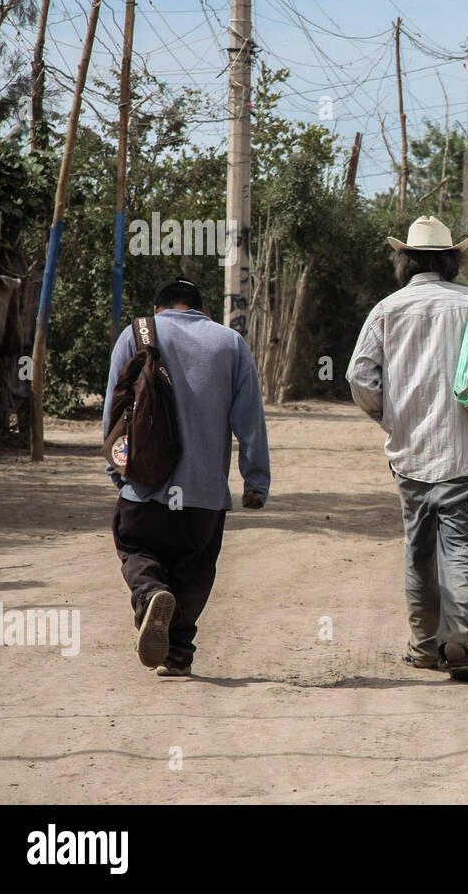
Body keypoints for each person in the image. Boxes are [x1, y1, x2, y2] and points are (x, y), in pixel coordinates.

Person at [347, 215, 468, 683]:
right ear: (453, 259)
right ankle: (457, 638)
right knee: (461, 546)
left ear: (405, 260)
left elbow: (359, 377)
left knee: (418, 550)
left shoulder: (387, 308)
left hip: (410, 456)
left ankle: (424, 647)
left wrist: (389, 417)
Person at [104, 277, 270, 677]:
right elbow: (250, 421)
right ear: (203, 311)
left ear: (158, 309)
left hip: (145, 484)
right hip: (203, 495)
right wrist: (255, 482)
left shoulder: (137, 333)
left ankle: (150, 594)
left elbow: (115, 406)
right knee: (194, 570)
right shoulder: (230, 343)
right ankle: (177, 653)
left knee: (137, 548)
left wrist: (117, 468)